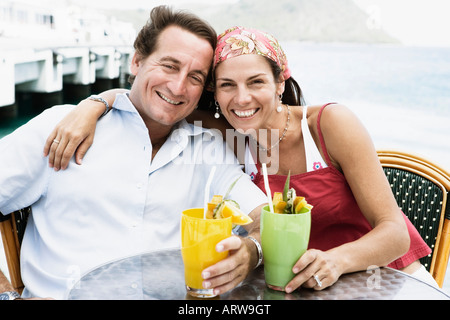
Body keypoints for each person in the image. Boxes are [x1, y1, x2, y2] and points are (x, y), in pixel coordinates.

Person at [44, 26, 437, 291]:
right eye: (227, 86)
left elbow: (394, 232)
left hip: (384, 281)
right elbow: (149, 101)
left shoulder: (329, 124)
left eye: (256, 82)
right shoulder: (225, 133)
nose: (242, 99)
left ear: (280, 82)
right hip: (296, 289)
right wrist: (93, 105)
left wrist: (334, 262)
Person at [0, 8, 268, 300]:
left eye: (194, 77)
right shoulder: (61, 128)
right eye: (169, 65)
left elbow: (264, 218)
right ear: (137, 61)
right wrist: (7, 296)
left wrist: (252, 251)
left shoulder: (207, 150)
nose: (178, 87)